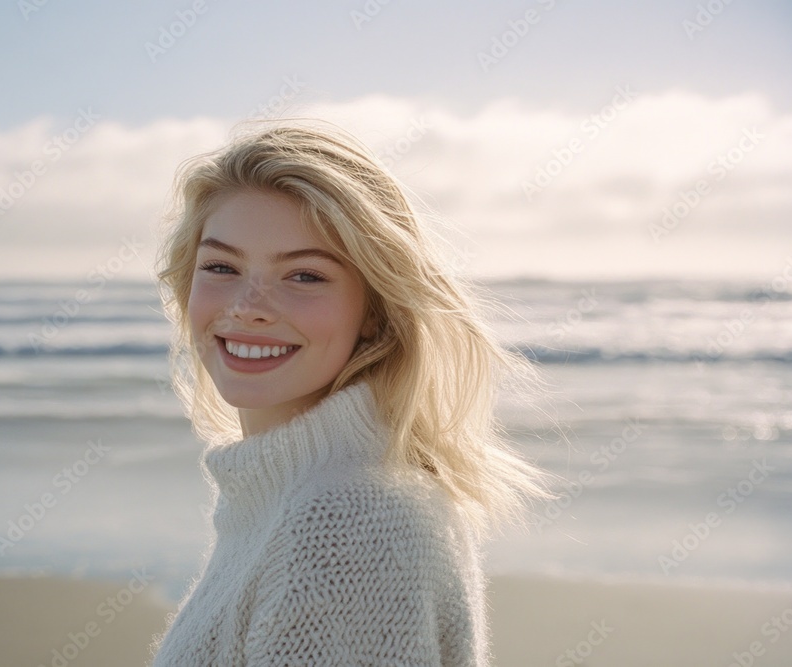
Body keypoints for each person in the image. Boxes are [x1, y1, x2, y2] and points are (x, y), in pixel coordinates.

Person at [149, 119, 553, 665]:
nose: (247, 304)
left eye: (305, 276)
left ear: (374, 311)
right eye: (221, 266)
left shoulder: (344, 521)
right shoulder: (293, 494)